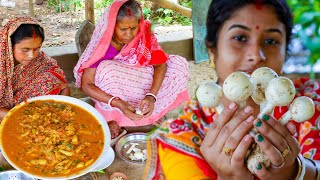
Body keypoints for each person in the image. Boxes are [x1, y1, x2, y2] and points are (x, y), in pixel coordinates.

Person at [144, 0, 320, 179]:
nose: (255, 55)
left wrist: (297, 171)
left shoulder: (312, 101)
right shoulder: (180, 133)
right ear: (213, 50)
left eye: (271, 41)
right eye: (240, 38)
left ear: (285, 53)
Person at [73, 0, 189, 138]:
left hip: (143, 79)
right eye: (123, 29)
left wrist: (151, 96)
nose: (129, 34)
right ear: (112, 26)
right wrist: (117, 103)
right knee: (106, 70)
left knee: (178, 65)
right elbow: (86, 85)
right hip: (116, 88)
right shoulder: (103, 46)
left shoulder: (143, 32)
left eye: (133, 28)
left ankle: (153, 113)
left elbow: (160, 63)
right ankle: (112, 119)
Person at [0, 17, 70, 121]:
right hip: (12, 117)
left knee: (50, 79)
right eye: (25, 49)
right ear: (9, 45)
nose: (31, 55)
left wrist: (59, 113)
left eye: (37, 49)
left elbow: (64, 88)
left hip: (35, 116)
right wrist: (27, 119)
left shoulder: (42, 61)